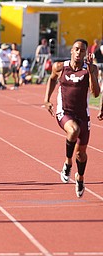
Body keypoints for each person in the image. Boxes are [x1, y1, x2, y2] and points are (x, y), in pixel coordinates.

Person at [44, 39, 100, 198]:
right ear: (71, 51)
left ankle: (80, 178)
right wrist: (46, 99)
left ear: (86, 53)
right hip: (65, 112)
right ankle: (67, 163)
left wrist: (90, 72)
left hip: (83, 115)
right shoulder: (60, 67)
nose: (78, 53)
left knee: (81, 154)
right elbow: (52, 79)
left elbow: (96, 93)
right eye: (76, 49)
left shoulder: (91, 69)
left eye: (82, 51)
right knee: (73, 130)